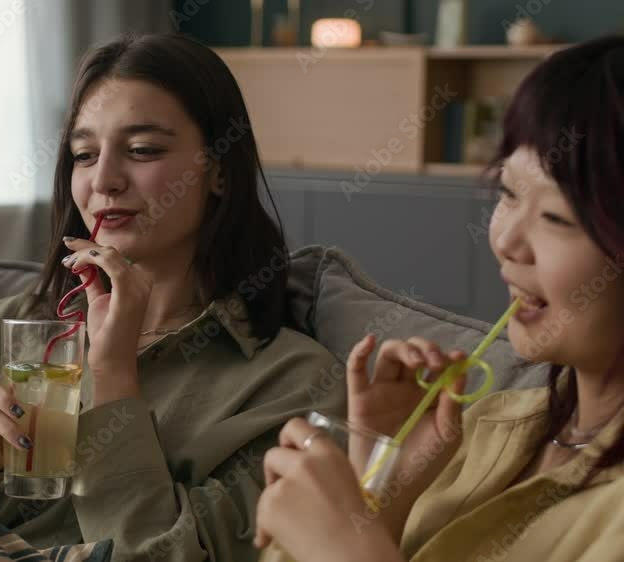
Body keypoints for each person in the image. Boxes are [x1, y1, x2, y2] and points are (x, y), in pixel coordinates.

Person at [0, 33, 344, 560]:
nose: (105, 180)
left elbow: (166, 556)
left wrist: (114, 374)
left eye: (143, 150)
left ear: (222, 172)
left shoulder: (295, 386)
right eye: (84, 154)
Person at [255, 36, 624, 562]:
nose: (506, 241)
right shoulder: (487, 427)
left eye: (558, 218)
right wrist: (383, 481)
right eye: (508, 193)